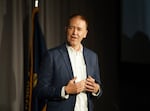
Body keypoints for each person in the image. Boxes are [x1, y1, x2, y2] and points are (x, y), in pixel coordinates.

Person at [34, 13, 103, 111]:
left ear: (85, 34)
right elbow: (40, 90)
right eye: (71, 28)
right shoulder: (52, 55)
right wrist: (65, 90)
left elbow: (99, 88)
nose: (75, 32)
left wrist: (96, 89)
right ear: (66, 29)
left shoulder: (92, 57)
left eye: (79, 29)